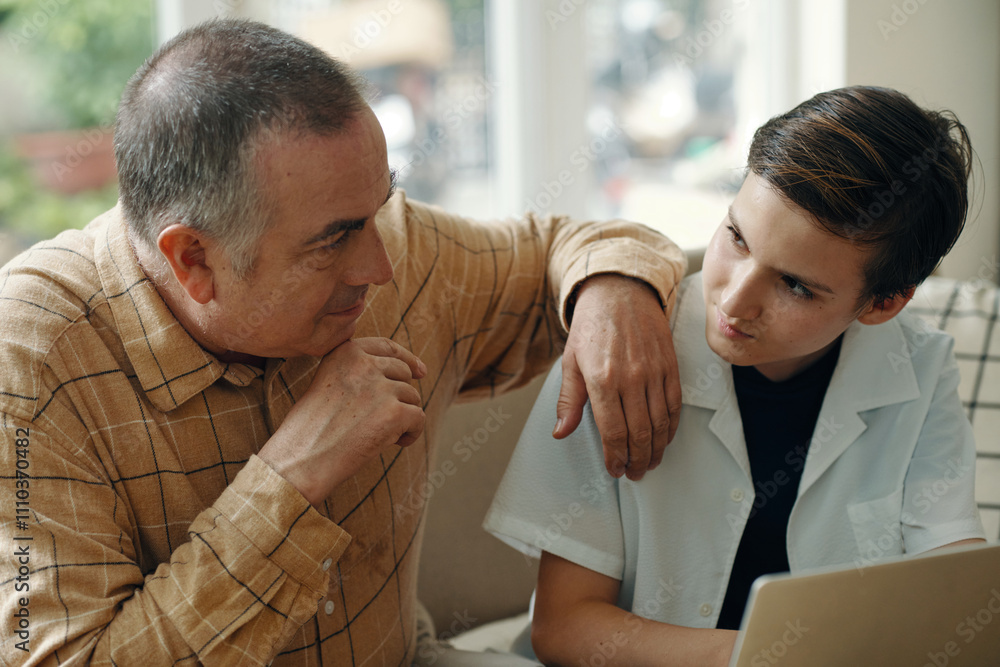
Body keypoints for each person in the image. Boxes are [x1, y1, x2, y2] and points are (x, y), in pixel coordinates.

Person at [0, 19, 689, 666]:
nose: (379, 268)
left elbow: (565, 246)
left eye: (378, 209)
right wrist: (292, 479)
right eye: (333, 240)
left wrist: (613, 288)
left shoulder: (389, 243)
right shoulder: (32, 356)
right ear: (193, 261)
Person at [484, 86, 988, 666]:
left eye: (795, 285)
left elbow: (951, 587)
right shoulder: (616, 349)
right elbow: (563, 627)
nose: (734, 299)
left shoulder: (920, 369)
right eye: (736, 236)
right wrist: (769, 657)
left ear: (883, 304)